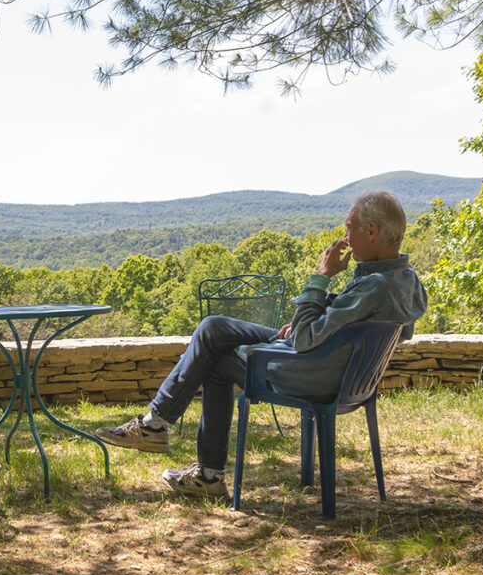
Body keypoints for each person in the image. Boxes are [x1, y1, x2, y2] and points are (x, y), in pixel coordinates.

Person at [94, 191, 427, 497]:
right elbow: (365, 323)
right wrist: (321, 318)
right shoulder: (404, 279)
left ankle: (181, 450)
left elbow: (305, 338)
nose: (344, 238)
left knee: (215, 358)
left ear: (371, 231)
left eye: (349, 228)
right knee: (213, 328)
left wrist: (321, 277)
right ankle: (165, 435)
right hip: (334, 369)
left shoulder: (375, 286)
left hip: (308, 370)